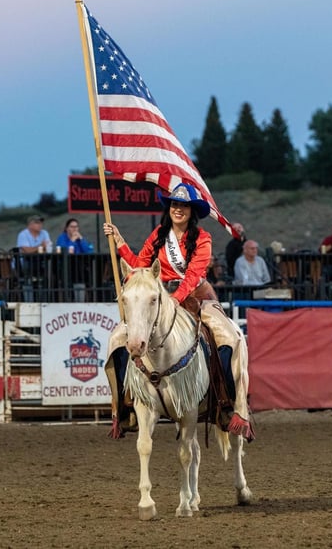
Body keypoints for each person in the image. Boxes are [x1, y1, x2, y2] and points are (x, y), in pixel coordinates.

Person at [102, 182, 254, 441]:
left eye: (183, 205)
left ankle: (229, 403)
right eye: (174, 204)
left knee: (228, 336)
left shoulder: (203, 238)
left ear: (192, 210)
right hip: (161, 297)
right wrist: (120, 242)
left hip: (197, 297)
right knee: (117, 338)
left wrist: (175, 299)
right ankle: (123, 406)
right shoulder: (159, 234)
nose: (178, 209)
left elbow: (194, 275)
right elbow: (140, 265)